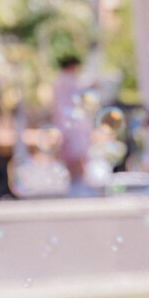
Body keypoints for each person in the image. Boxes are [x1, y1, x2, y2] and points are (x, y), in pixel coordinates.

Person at [51, 54, 92, 195]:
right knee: (76, 153)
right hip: (72, 124)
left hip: (70, 123)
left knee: (75, 154)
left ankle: (77, 183)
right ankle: (78, 183)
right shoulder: (67, 81)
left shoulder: (62, 81)